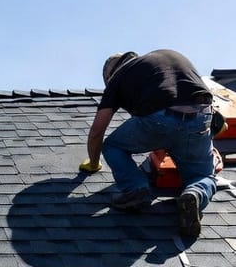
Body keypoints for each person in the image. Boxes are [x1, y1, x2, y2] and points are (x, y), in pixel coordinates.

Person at [83, 50, 216, 237]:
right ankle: (195, 194)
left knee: (112, 146)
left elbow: (97, 132)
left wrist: (94, 163)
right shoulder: (168, 57)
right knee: (203, 175)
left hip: (160, 120)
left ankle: (137, 189)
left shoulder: (119, 76)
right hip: (201, 117)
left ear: (109, 75)